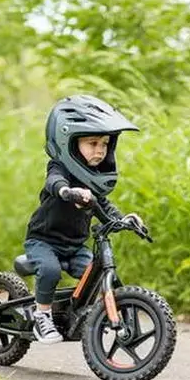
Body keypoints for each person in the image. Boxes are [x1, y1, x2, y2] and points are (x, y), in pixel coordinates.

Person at [24, 95, 146, 343]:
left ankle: (89, 315)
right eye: (92, 143)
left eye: (104, 144)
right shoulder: (61, 169)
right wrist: (67, 191)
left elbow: (104, 205)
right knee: (49, 270)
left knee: (96, 275)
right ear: (69, 142)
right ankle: (42, 316)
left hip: (75, 246)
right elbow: (53, 182)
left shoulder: (93, 178)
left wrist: (125, 219)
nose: (100, 150)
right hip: (44, 242)